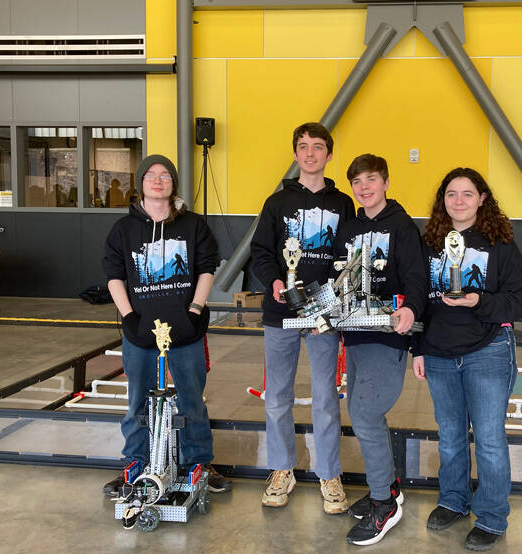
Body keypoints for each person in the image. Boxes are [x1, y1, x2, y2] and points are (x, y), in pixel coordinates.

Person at [412, 167, 522, 552]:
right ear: (442, 200)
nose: (458, 201)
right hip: (440, 354)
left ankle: (493, 517)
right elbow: (418, 299)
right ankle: (453, 501)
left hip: (488, 351)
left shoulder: (499, 243)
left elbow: (520, 299)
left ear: (482, 199)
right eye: (451, 194)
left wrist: (480, 301)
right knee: (449, 437)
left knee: (490, 441)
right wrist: (419, 348)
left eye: (467, 194)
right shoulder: (431, 242)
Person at [101, 154, 231, 497]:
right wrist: (129, 317)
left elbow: (207, 268)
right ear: (140, 183)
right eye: (151, 176)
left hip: (186, 330)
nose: (158, 181)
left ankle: (200, 463)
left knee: (191, 402)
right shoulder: (123, 230)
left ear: (173, 184)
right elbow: (114, 276)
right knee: (137, 404)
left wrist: (194, 310)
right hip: (141, 332)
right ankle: (134, 465)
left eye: (165, 176)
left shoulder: (193, 225)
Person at [250, 122, 356, 513]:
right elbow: (261, 251)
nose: (310, 154)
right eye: (303, 147)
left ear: (329, 155)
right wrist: (275, 280)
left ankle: (329, 472)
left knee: (326, 398)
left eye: (317, 147)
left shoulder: (343, 204)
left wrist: (326, 303)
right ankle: (282, 469)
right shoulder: (277, 203)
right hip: (280, 314)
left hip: (323, 314)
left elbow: (347, 259)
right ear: (295, 154)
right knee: (277, 397)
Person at [334, 154, 426, 545]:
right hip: (353, 334)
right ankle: (388, 487)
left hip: (386, 334)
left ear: (386, 182)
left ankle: (383, 504)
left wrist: (410, 309)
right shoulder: (350, 227)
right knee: (365, 413)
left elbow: (418, 278)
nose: (364, 187)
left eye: (371, 179)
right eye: (357, 182)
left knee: (365, 413)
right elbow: (339, 276)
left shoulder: (402, 227)